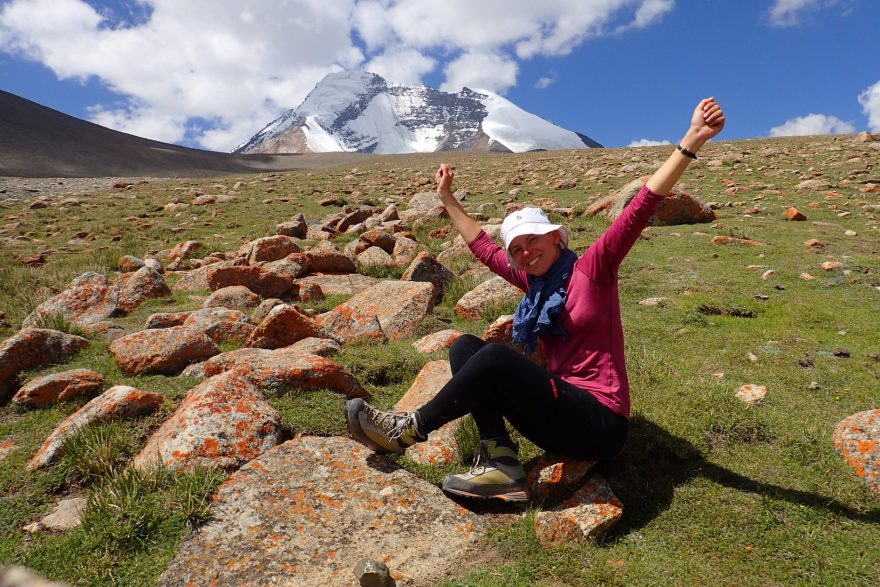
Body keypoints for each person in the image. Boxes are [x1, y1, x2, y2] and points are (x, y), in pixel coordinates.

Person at [346, 98, 725, 502]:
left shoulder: (594, 269)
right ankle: (501, 464)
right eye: (518, 249)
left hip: (600, 422)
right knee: (466, 347)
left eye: (533, 240)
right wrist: (447, 199)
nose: (525, 252)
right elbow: (483, 248)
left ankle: (407, 429)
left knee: (495, 358)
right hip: (557, 418)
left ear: (555, 237)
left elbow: (638, 207)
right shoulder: (534, 285)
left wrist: (691, 141)